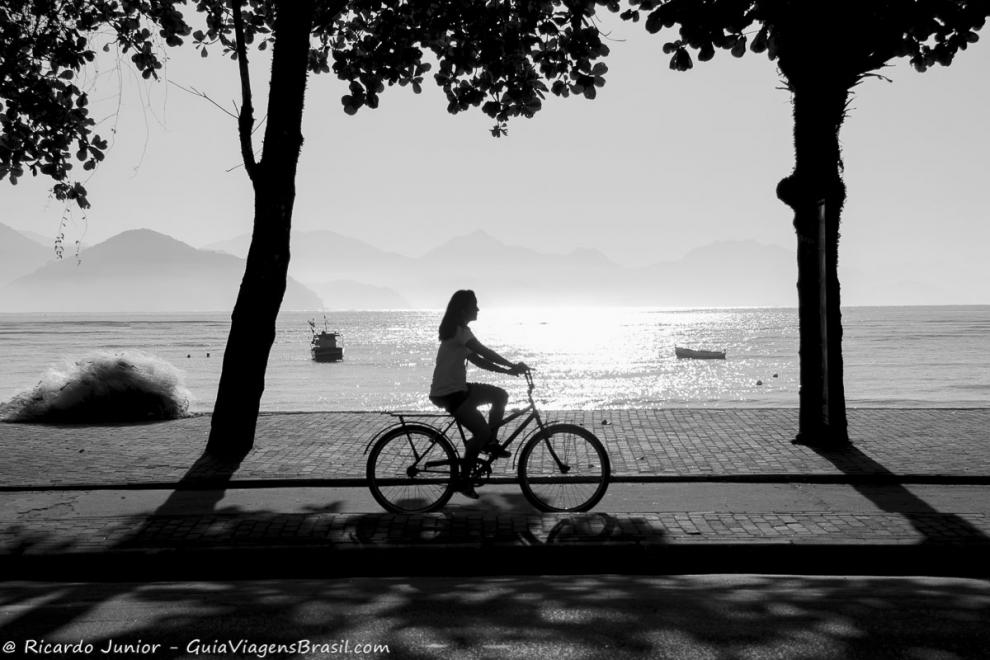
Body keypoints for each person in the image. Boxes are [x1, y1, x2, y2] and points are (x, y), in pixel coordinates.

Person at [429, 290, 528, 499]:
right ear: (464, 309)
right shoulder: (460, 331)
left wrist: (508, 371)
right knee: (480, 433)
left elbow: (479, 360)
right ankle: (464, 480)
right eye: (475, 305)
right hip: (450, 393)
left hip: (459, 388)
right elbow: (484, 351)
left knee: (500, 396)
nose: (478, 309)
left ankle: (490, 444)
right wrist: (511, 364)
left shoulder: (460, 332)